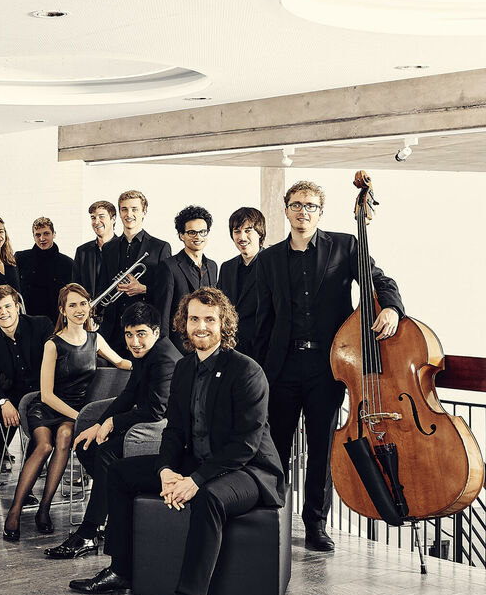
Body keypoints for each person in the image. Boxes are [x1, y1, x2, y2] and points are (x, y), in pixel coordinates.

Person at [70, 287, 284, 595]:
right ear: (184, 323)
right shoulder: (184, 368)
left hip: (249, 470)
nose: (201, 326)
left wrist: (195, 481)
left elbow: (244, 446)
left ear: (223, 324)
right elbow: (174, 431)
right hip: (197, 460)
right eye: (194, 318)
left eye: (210, 319)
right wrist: (167, 470)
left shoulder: (247, 371)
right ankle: (121, 569)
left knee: (210, 498)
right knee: (120, 473)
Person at [255, 180, 403, 552]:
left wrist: (391, 308)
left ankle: (316, 525)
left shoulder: (345, 245)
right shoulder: (268, 259)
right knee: (276, 448)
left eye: (310, 206)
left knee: (322, 449)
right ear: (286, 209)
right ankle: (273, 518)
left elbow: (379, 280)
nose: (302, 212)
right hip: (282, 367)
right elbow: (262, 319)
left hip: (328, 366)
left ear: (320, 212)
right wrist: (258, 371)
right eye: (296, 205)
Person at [45, 301, 181, 558]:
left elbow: (155, 410)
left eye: (141, 334)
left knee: (107, 453)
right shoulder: (145, 352)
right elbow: (129, 394)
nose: (134, 342)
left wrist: (111, 423)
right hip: (144, 422)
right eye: (129, 335)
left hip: (165, 431)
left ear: (155, 331)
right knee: (86, 446)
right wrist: (98, 424)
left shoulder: (164, 359)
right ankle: (110, 512)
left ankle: (88, 532)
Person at [2, 284, 129, 541]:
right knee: (43, 446)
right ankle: (14, 511)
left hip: (74, 412)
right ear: (63, 310)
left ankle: (44, 509)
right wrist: (79, 417)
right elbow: (46, 395)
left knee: (64, 437)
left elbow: (120, 362)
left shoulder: (95, 339)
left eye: (83, 303)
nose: (79, 309)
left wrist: (148, 364)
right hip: (46, 408)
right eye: (72, 305)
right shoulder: (53, 343)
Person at [0, 285, 53, 509]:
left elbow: (56, 364)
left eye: (8, 306)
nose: (3, 312)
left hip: (44, 393)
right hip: (12, 395)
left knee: (35, 418)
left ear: (17, 306)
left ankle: (25, 488)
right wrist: (4, 403)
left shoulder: (41, 325)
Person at [98, 190, 172, 359]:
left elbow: (165, 293)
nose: (129, 214)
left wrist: (143, 288)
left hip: (143, 330)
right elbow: (103, 284)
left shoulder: (160, 247)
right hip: (113, 329)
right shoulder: (109, 248)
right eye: (124, 209)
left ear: (144, 212)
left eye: (134, 209)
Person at [153, 205, 219, 338]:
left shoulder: (212, 266)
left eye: (203, 232)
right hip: (179, 343)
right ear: (181, 235)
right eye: (192, 232)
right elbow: (162, 316)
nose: (198, 237)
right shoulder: (168, 267)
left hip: (205, 340)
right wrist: (167, 348)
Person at [218, 207, 265, 356]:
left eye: (248, 230)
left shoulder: (273, 264)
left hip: (263, 349)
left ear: (260, 233)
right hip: (230, 349)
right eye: (237, 231)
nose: (242, 237)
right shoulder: (226, 267)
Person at [15, 217, 73, 323]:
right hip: (26, 321)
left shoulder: (68, 263)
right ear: (33, 236)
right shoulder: (21, 259)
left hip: (56, 322)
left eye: (46, 233)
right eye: (38, 235)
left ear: (54, 234)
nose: (42, 238)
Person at [72, 200, 119, 299]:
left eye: (101, 216)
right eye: (93, 218)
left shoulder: (124, 248)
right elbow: (76, 287)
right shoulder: (82, 251)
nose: (96, 222)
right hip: (89, 307)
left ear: (113, 219)